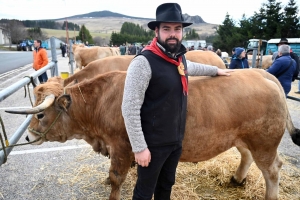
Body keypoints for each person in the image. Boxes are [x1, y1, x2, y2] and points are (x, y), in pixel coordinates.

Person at [121, 3, 231, 200]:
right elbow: (129, 109)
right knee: (144, 193)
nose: (173, 34)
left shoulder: (178, 59)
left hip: (174, 142)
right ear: (157, 31)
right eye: (166, 29)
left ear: (182, 32)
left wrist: (215, 70)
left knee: (166, 186)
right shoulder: (143, 62)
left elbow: (191, 68)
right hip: (152, 145)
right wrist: (139, 148)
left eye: (177, 29)